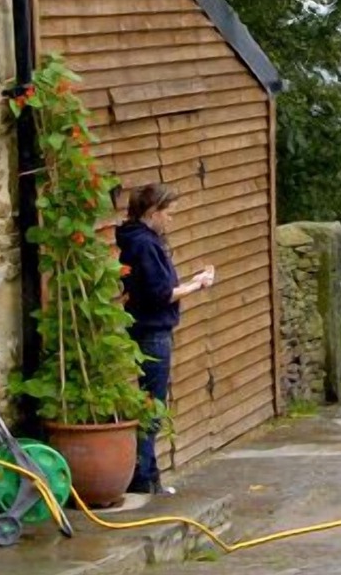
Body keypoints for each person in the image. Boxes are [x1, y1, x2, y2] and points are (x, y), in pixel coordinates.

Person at [115, 183, 215, 495]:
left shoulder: (134, 238)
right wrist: (198, 285)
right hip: (153, 330)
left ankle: (148, 474)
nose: (171, 220)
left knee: (150, 403)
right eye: (168, 214)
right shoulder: (145, 244)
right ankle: (144, 477)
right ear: (153, 212)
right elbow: (161, 294)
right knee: (152, 405)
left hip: (142, 327)